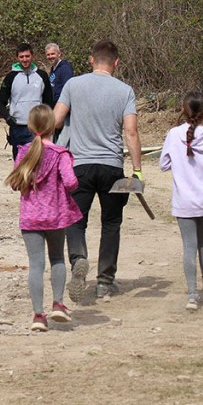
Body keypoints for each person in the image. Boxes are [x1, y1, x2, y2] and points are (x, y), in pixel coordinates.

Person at [53, 39, 143, 301]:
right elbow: (131, 132)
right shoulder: (125, 91)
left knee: (75, 220)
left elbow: (56, 120)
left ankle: (79, 259)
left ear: (91, 60)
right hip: (112, 167)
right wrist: (137, 171)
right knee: (111, 223)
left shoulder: (73, 85)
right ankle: (104, 281)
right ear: (117, 62)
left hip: (79, 165)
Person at [6, 105, 83, 331]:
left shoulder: (23, 152)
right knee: (57, 258)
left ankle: (38, 315)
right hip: (55, 216)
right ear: (53, 126)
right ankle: (58, 304)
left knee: (36, 265)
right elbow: (70, 182)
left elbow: (14, 184)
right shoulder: (60, 154)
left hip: (30, 218)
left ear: (30, 127)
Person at [159, 92, 203, 310]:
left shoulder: (174, 134)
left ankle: (192, 294)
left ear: (183, 110)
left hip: (183, 199)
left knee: (189, 246)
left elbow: (163, 164)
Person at [0, 43, 54, 159]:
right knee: (19, 163)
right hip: (17, 127)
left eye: (27, 56)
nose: (24, 59)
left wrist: (47, 121)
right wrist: (8, 118)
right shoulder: (10, 77)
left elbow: (49, 102)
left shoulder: (42, 76)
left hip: (37, 127)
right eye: (21, 57)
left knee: (37, 162)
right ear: (17, 58)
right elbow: (0, 102)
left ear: (32, 56)